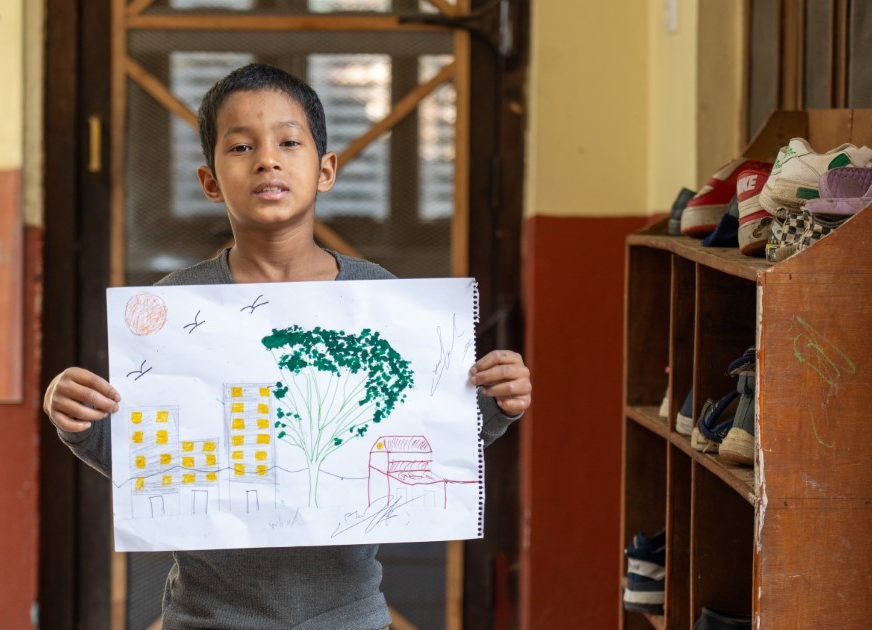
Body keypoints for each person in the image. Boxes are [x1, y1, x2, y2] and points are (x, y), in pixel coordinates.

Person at [44, 63, 532, 630]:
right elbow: (146, 462)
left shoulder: (380, 299)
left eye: (289, 142)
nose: (267, 159)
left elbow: (428, 436)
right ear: (209, 180)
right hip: (205, 618)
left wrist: (495, 402)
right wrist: (78, 419)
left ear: (325, 170)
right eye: (241, 146)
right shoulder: (176, 309)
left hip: (349, 618)